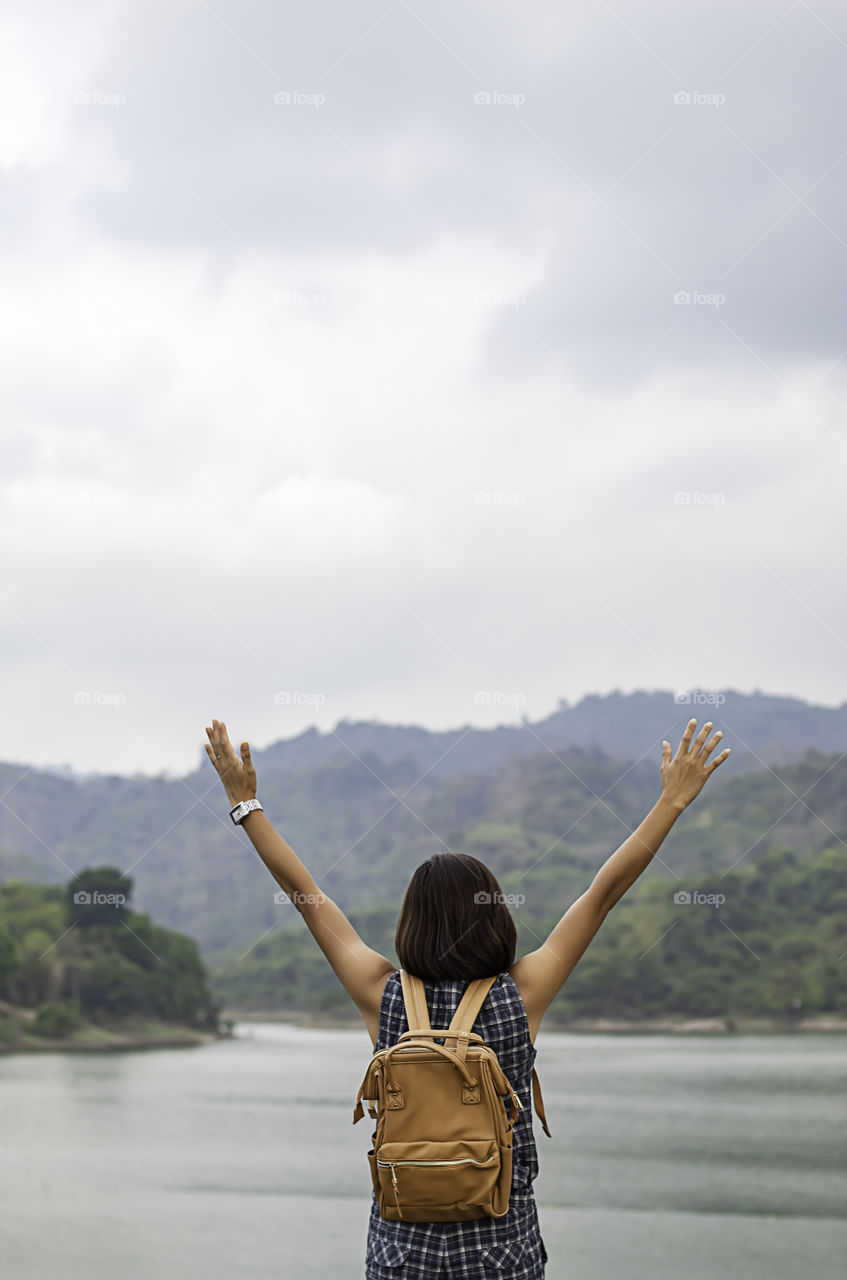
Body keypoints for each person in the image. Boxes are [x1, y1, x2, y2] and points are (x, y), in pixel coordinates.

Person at [204, 715, 730, 1279]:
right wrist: (672, 801)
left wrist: (245, 805)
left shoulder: (379, 994)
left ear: (412, 922)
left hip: (400, 1254)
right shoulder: (523, 994)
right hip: (501, 1251)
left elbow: (305, 894)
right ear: (495, 917)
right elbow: (603, 895)